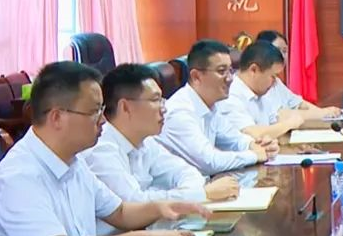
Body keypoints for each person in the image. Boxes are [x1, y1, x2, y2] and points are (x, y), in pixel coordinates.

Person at [0, 62, 208, 236]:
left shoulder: (74, 162)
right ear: (57, 117)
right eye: (94, 112)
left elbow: (120, 212)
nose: (103, 120)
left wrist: (163, 207)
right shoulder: (18, 177)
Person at [83, 63, 239, 204]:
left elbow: (187, 172)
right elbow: (133, 204)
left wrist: (187, 193)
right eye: (155, 100)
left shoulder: (146, 141)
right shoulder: (101, 150)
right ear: (125, 107)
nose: (164, 108)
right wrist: (202, 194)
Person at [157, 40, 277, 175]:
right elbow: (209, 162)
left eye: (230, 70)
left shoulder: (213, 105)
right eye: (221, 71)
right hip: (180, 188)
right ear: (196, 76)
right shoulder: (180, 112)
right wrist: (254, 155)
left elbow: (234, 138)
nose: (230, 78)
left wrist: (257, 145)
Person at [222, 41, 309, 141]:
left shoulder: (261, 94)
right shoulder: (230, 95)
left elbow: (275, 125)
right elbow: (253, 134)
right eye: (273, 76)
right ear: (253, 70)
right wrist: (290, 124)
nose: (275, 83)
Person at [255, 30, 341, 119]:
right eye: (277, 50)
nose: (282, 56)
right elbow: (279, 115)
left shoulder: (276, 81)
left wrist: (323, 112)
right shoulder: (259, 83)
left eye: (284, 51)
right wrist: (322, 113)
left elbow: (299, 103)